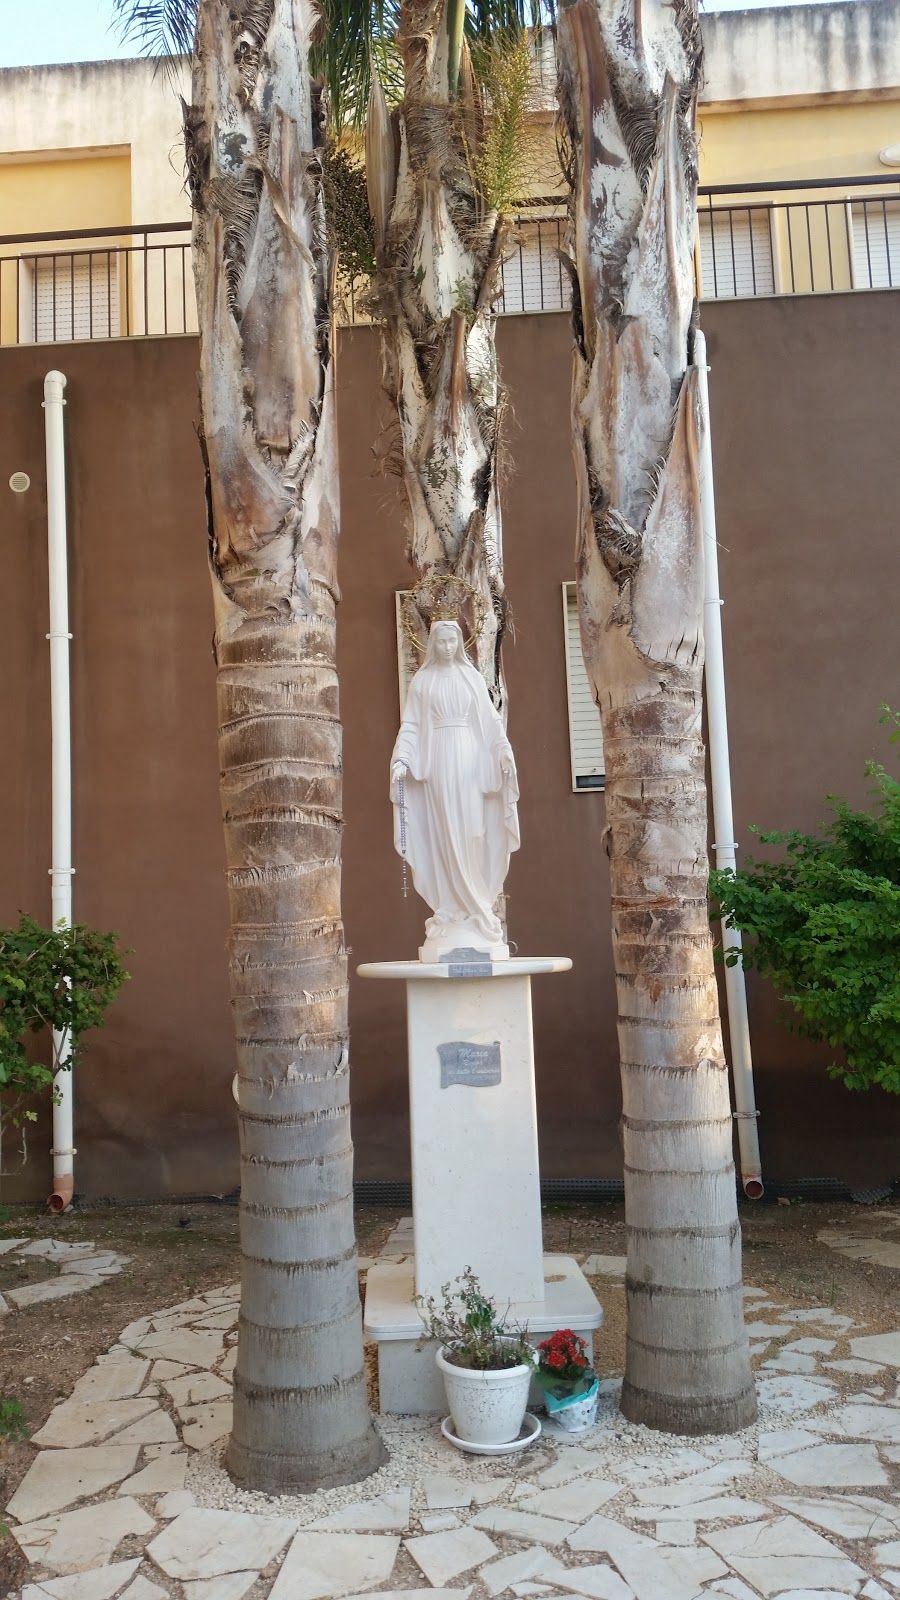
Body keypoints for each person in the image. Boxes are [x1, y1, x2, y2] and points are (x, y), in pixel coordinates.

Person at [390, 619, 520, 960]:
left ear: (459, 643)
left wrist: (503, 751)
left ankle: (478, 904)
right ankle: (449, 906)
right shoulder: (423, 681)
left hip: (469, 759)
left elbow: (490, 720)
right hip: (437, 761)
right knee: (444, 832)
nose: (447, 647)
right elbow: (411, 725)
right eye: (441, 641)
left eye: (452, 641)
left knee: (474, 831)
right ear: (433, 644)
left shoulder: (470, 677)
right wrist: (402, 758)